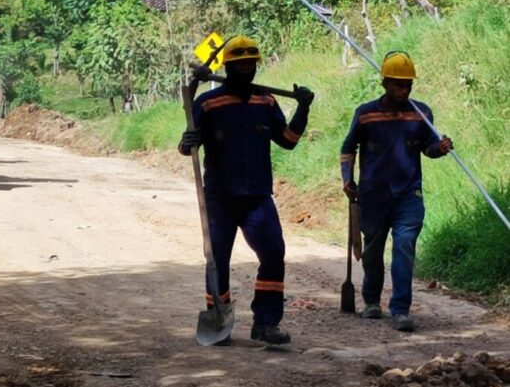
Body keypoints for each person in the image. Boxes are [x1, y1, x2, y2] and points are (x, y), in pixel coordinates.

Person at [179, 35, 315, 346]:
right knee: (217, 258)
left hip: (257, 197)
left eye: (250, 64)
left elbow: (289, 140)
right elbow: (189, 144)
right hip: (219, 197)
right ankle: (218, 316)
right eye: (239, 64)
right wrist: (187, 143)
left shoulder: (266, 101)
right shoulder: (208, 103)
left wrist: (303, 109)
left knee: (273, 252)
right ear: (227, 66)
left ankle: (266, 324)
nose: (245, 69)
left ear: (256, 66)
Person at [340, 51, 453, 332]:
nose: (404, 90)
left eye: (408, 85)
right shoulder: (365, 114)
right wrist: (347, 179)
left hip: (408, 195)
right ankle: (371, 302)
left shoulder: (421, 114)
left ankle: (400, 309)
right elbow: (347, 148)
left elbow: (428, 148)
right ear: (385, 83)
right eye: (398, 84)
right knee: (373, 251)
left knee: (404, 247)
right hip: (373, 195)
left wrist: (439, 149)